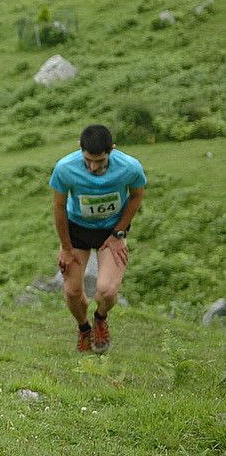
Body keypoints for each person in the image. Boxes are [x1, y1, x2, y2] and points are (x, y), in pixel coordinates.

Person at [49, 124, 146, 354]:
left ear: (111, 150)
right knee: (72, 291)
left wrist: (118, 233)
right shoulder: (65, 169)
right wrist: (65, 247)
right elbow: (59, 206)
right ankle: (84, 329)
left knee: (107, 291)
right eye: (88, 160)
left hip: (110, 232)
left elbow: (137, 195)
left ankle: (100, 318)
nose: (93, 167)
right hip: (77, 231)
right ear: (80, 150)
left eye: (100, 161)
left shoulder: (130, 167)